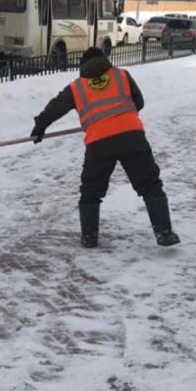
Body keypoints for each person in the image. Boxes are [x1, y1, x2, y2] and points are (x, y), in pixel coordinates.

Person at [30, 46, 179, 249]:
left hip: (99, 143)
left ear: (83, 66)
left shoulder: (77, 87)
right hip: (132, 137)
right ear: (105, 60)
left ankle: (89, 237)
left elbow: (56, 107)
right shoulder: (121, 75)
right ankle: (164, 232)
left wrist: (40, 126)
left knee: (91, 189)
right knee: (150, 184)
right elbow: (139, 102)